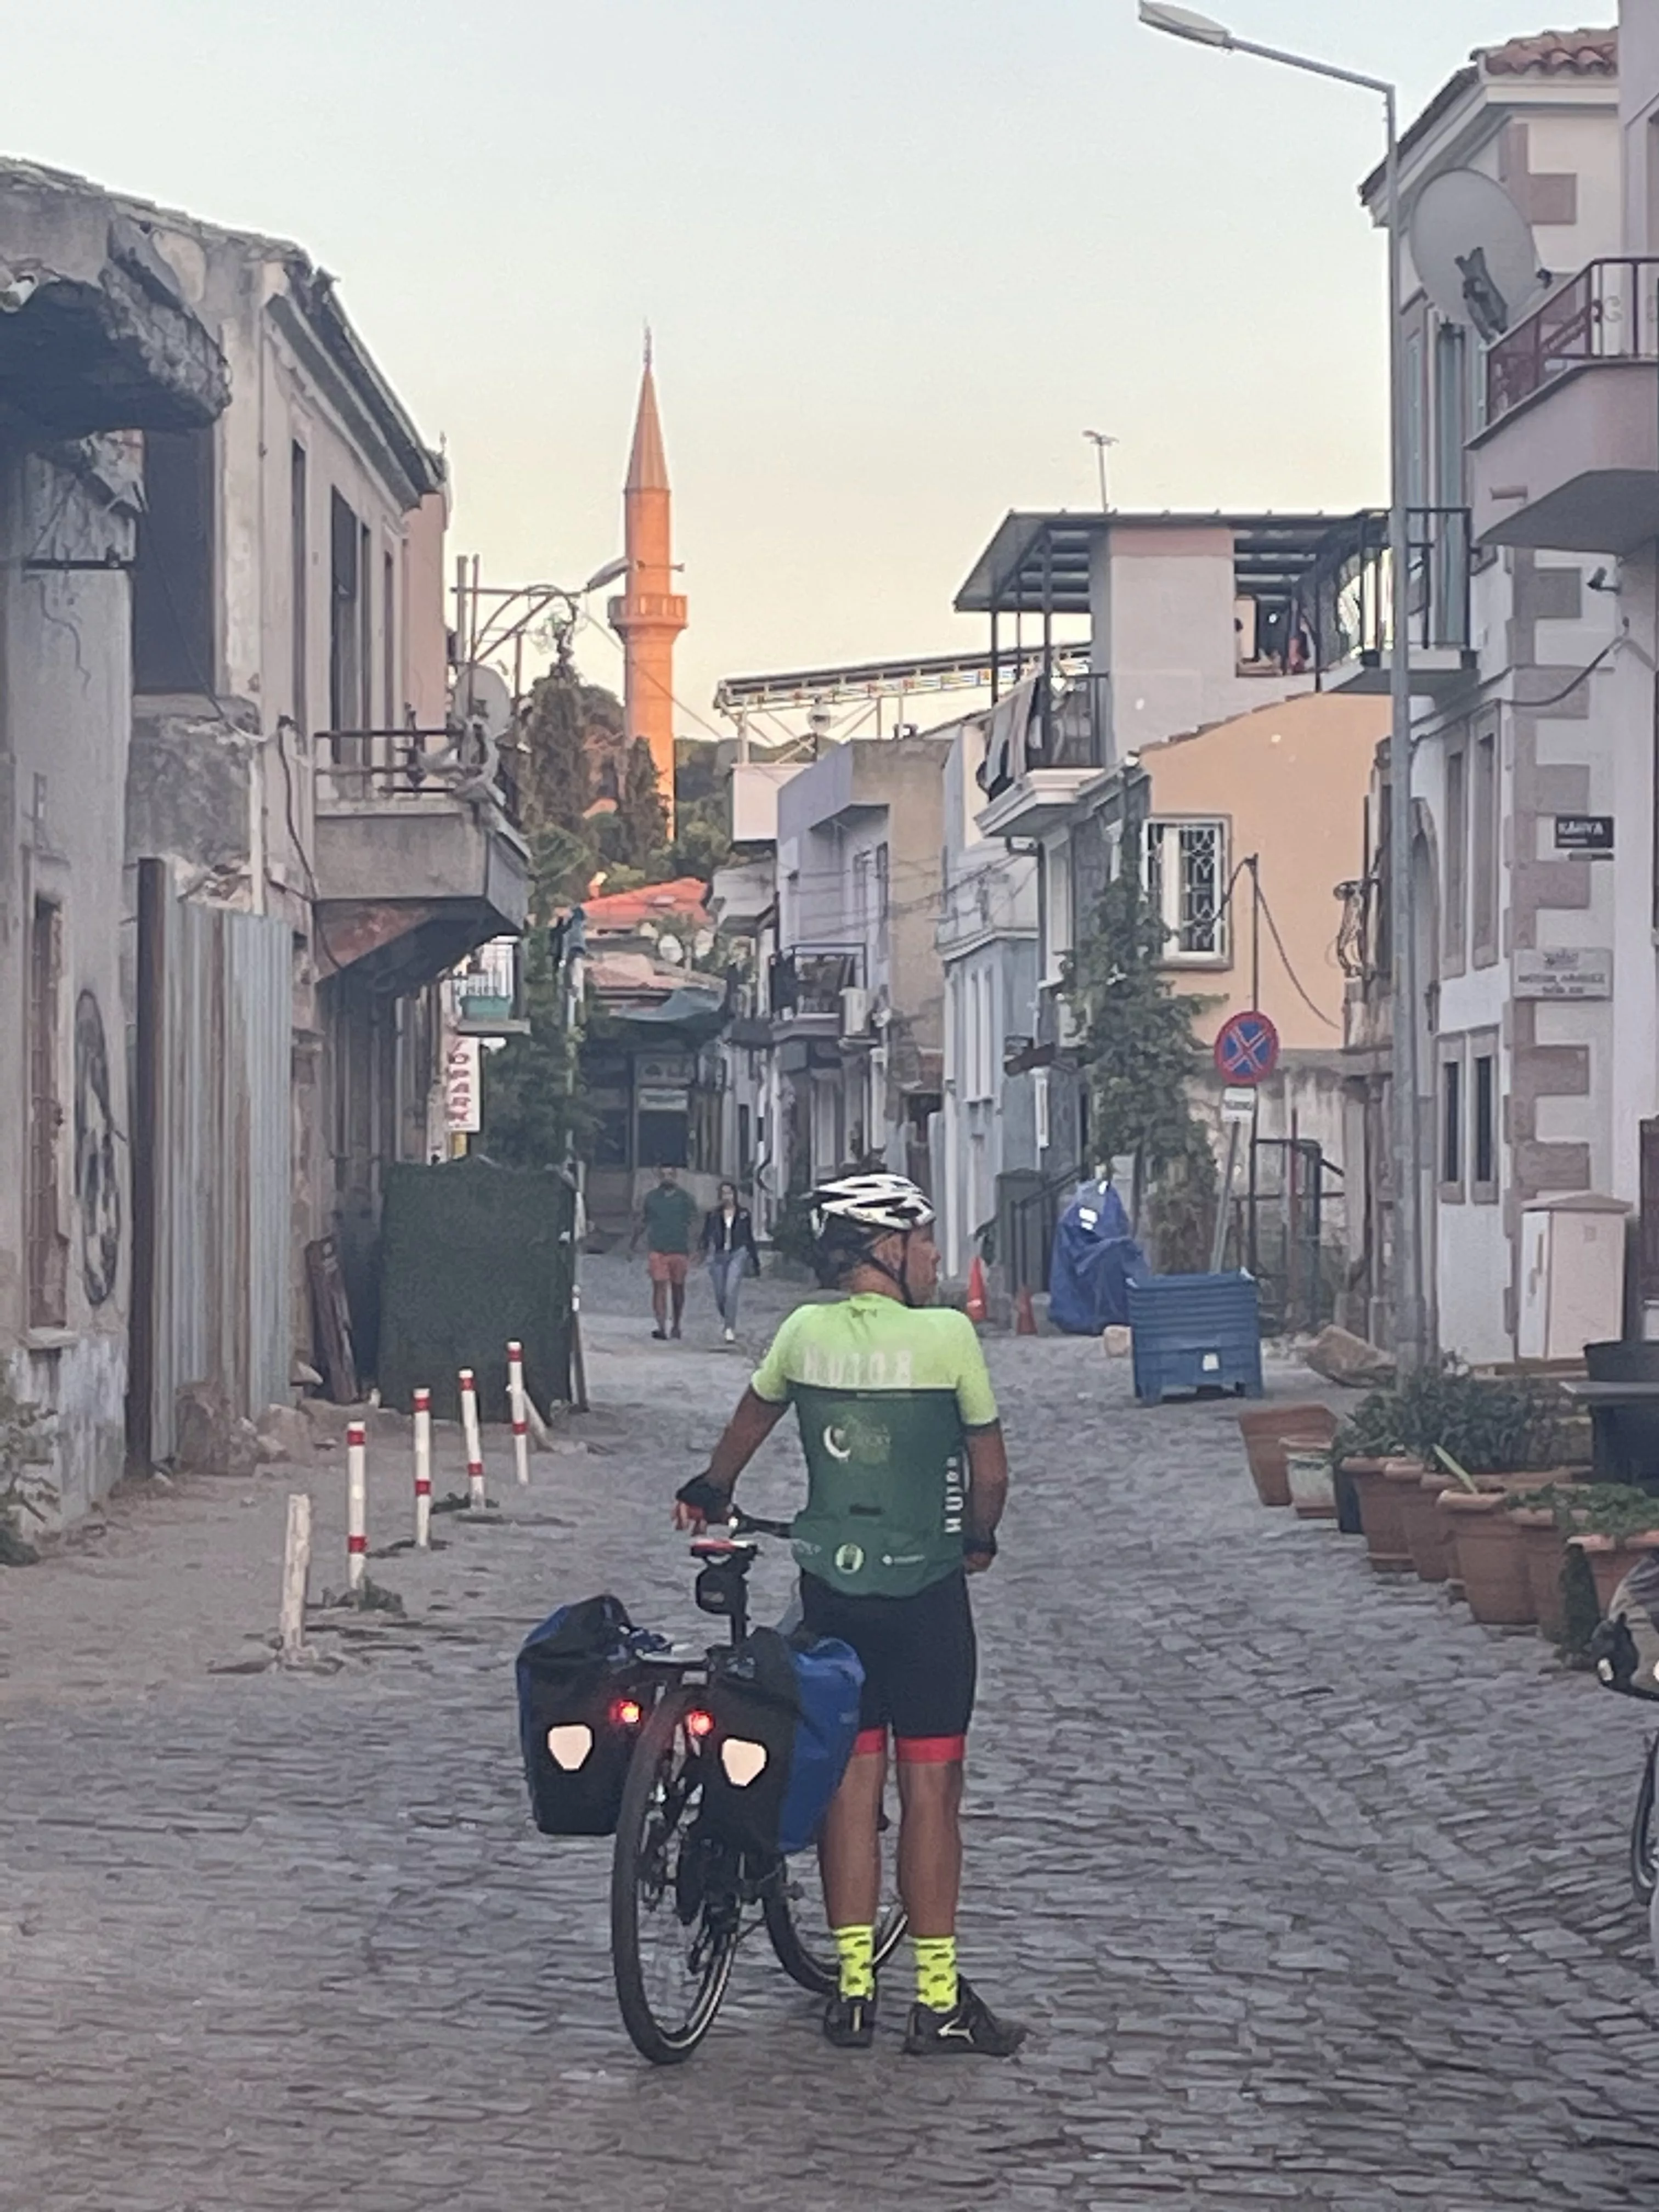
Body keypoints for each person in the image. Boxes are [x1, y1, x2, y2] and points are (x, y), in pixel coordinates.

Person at [674, 1171, 1025, 2059]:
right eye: (924, 1238)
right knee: (932, 1790)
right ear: (888, 1248)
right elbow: (988, 1471)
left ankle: (854, 1991)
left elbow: (748, 1421)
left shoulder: (800, 1331)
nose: (937, 1254)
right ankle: (935, 2000)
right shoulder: (946, 1336)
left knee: (849, 1790)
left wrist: (711, 1488)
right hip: (925, 1598)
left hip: (833, 1592)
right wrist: (978, 1538)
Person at [632, 1165, 698, 1341]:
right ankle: (661, 1326)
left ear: (676, 1176)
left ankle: (677, 1324)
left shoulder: (685, 1199)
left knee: (678, 1289)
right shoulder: (651, 1198)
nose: (667, 1178)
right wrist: (633, 1243)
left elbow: (694, 1223)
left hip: (679, 1248)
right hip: (658, 1248)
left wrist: (696, 1246)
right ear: (658, 1177)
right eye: (664, 1175)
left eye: (670, 1174)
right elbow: (642, 1221)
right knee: (659, 1286)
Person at [700, 1182, 759, 1343]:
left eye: (730, 1193)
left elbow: (749, 1238)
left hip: (737, 1253)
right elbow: (706, 1236)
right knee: (720, 1295)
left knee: (731, 1290)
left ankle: (729, 1327)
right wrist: (702, 1252)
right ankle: (727, 1315)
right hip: (719, 1255)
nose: (727, 1197)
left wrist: (755, 1260)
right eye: (724, 1193)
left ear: (735, 1195)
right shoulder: (713, 1215)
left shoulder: (743, 1214)